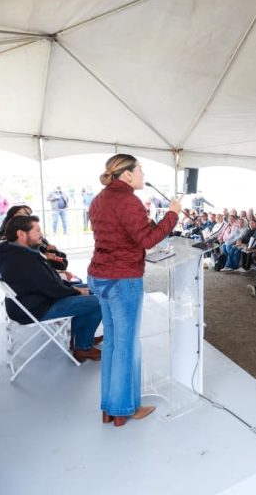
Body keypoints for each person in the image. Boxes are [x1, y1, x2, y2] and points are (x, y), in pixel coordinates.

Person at [87, 154, 181, 427]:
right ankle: (125, 408)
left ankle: (109, 407)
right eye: (140, 169)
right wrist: (172, 214)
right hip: (122, 278)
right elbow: (148, 240)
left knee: (113, 344)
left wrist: (148, 217)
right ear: (126, 174)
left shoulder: (100, 199)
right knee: (127, 346)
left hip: (99, 274)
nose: (142, 174)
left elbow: (122, 233)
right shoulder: (128, 200)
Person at [0, 215, 102, 361]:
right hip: (37, 308)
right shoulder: (24, 260)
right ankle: (82, 348)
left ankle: (81, 339)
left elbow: (48, 282)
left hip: (33, 300)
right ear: (21, 234)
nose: (41, 234)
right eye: (37, 231)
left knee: (92, 289)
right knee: (98, 302)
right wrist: (75, 291)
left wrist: (73, 288)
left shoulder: (11, 251)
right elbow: (53, 289)